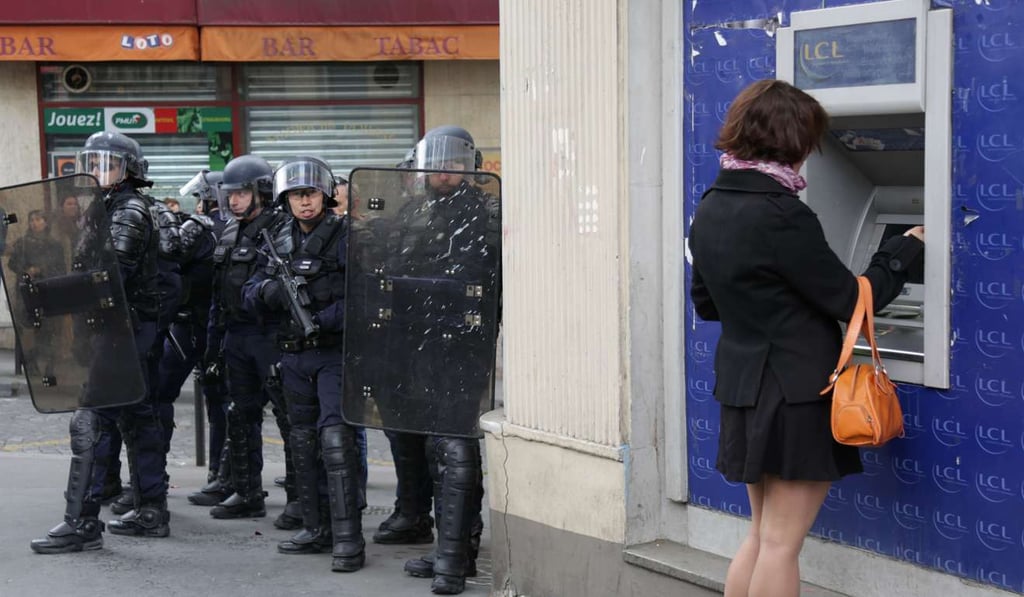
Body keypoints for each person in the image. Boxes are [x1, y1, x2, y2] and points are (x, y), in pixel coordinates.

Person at [687, 79, 925, 597]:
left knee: (760, 535)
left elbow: (706, 302)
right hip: (795, 394)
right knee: (781, 546)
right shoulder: (782, 214)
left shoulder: (711, 206)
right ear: (794, 140)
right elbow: (851, 300)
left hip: (746, 389)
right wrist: (903, 251)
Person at [31, 131, 171, 553]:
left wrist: (50, 295)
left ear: (129, 170)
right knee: (138, 420)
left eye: (108, 163)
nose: (97, 170)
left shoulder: (128, 211)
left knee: (90, 421)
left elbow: (112, 277)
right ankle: (151, 511)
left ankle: (83, 522)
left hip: (123, 331)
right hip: (122, 329)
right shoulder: (106, 208)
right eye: (92, 162)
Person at [375, 125, 499, 595]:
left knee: (453, 446)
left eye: (452, 165)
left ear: (468, 168)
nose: (442, 173)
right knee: (427, 445)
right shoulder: (414, 213)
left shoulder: (485, 212)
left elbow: (480, 282)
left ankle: (459, 551)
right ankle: (445, 541)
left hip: (461, 348)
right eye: (436, 164)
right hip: (413, 347)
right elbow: (393, 270)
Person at [242, 156, 366, 572]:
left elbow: (365, 294)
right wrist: (271, 294)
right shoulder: (277, 240)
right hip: (292, 354)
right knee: (302, 442)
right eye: (296, 195)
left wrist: (324, 320)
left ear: (325, 195)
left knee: (336, 441)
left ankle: (348, 538)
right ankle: (315, 527)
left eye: (310, 193)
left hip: (334, 353)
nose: (304, 202)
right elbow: (248, 292)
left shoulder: (348, 235)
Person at [198, 155, 299, 528]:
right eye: (230, 195)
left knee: (290, 419)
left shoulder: (281, 229)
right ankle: (247, 491)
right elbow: (217, 294)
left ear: (261, 192)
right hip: (236, 335)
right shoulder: (227, 232)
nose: (234, 201)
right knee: (240, 415)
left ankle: (300, 498)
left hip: (271, 335)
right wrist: (212, 347)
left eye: (241, 193)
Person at [5, 210, 66, 379]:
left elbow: (59, 268)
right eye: (31, 220)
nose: (34, 223)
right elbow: (12, 263)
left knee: (48, 329)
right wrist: (25, 271)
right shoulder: (22, 243)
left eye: (38, 219)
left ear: (45, 222)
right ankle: (29, 363)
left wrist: (40, 270)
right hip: (25, 290)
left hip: (46, 290)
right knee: (27, 326)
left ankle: (48, 367)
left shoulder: (54, 245)